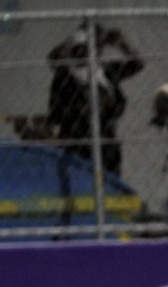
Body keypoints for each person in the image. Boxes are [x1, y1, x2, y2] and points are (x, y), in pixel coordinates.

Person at [46, 23, 144, 175]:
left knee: (109, 185)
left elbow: (137, 64)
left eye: (97, 45)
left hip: (105, 144)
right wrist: (76, 39)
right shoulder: (65, 75)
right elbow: (52, 59)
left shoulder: (105, 71)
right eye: (89, 44)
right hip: (75, 144)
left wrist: (122, 43)